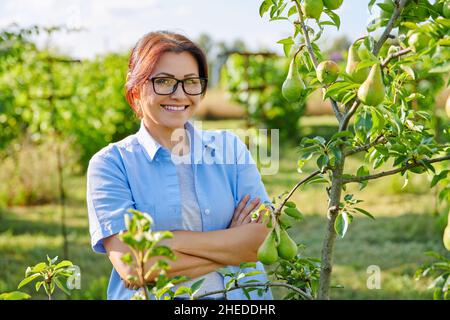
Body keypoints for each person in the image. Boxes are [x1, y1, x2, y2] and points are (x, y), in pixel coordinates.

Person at [86, 30, 274, 300]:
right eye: (164, 81)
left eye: (190, 82)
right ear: (136, 89)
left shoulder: (230, 149)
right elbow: (134, 268)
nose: (179, 94)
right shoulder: (111, 164)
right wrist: (234, 246)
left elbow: (263, 240)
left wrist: (167, 240)